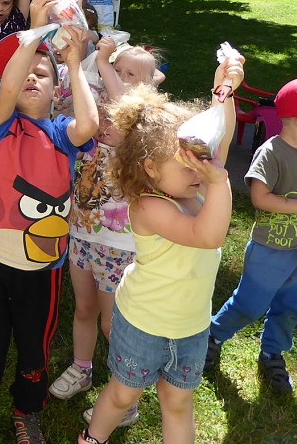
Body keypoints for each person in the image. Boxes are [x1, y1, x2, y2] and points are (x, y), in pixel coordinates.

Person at [79, 53, 245, 444]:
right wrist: (218, 182)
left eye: (202, 158)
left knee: (178, 402)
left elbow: (221, 136)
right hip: (144, 325)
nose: (201, 168)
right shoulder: (149, 207)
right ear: (151, 168)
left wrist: (223, 92)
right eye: (188, 163)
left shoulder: (194, 184)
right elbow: (207, 236)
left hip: (191, 326)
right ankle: (93, 438)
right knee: (123, 395)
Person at [0, 22, 97, 444]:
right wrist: (35, 34)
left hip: (43, 268)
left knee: (35, 347)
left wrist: (74, 63)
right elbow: (7, 86)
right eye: (25, 74)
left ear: (57, 90)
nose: (32, 79)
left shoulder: (63, 133)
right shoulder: (1, 124)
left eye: (43, 74)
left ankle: (26, 410)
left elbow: (89, 124)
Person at [204, 77, 297, 394]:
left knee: (291, 307)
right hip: (270, 249)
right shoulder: (271, 153)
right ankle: (213, 336)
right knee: (249, 304)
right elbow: (260, 198)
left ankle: (272, 353)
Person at [48, 107, 138, 425]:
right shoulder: (88, 142)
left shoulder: (136, 152)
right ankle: (81, 368)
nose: (106, 126)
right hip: (82, 237)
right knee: (84, 310)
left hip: (119, 249)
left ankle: (125, 397)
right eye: (104, 117)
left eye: (116, 120)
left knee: (113, 326)